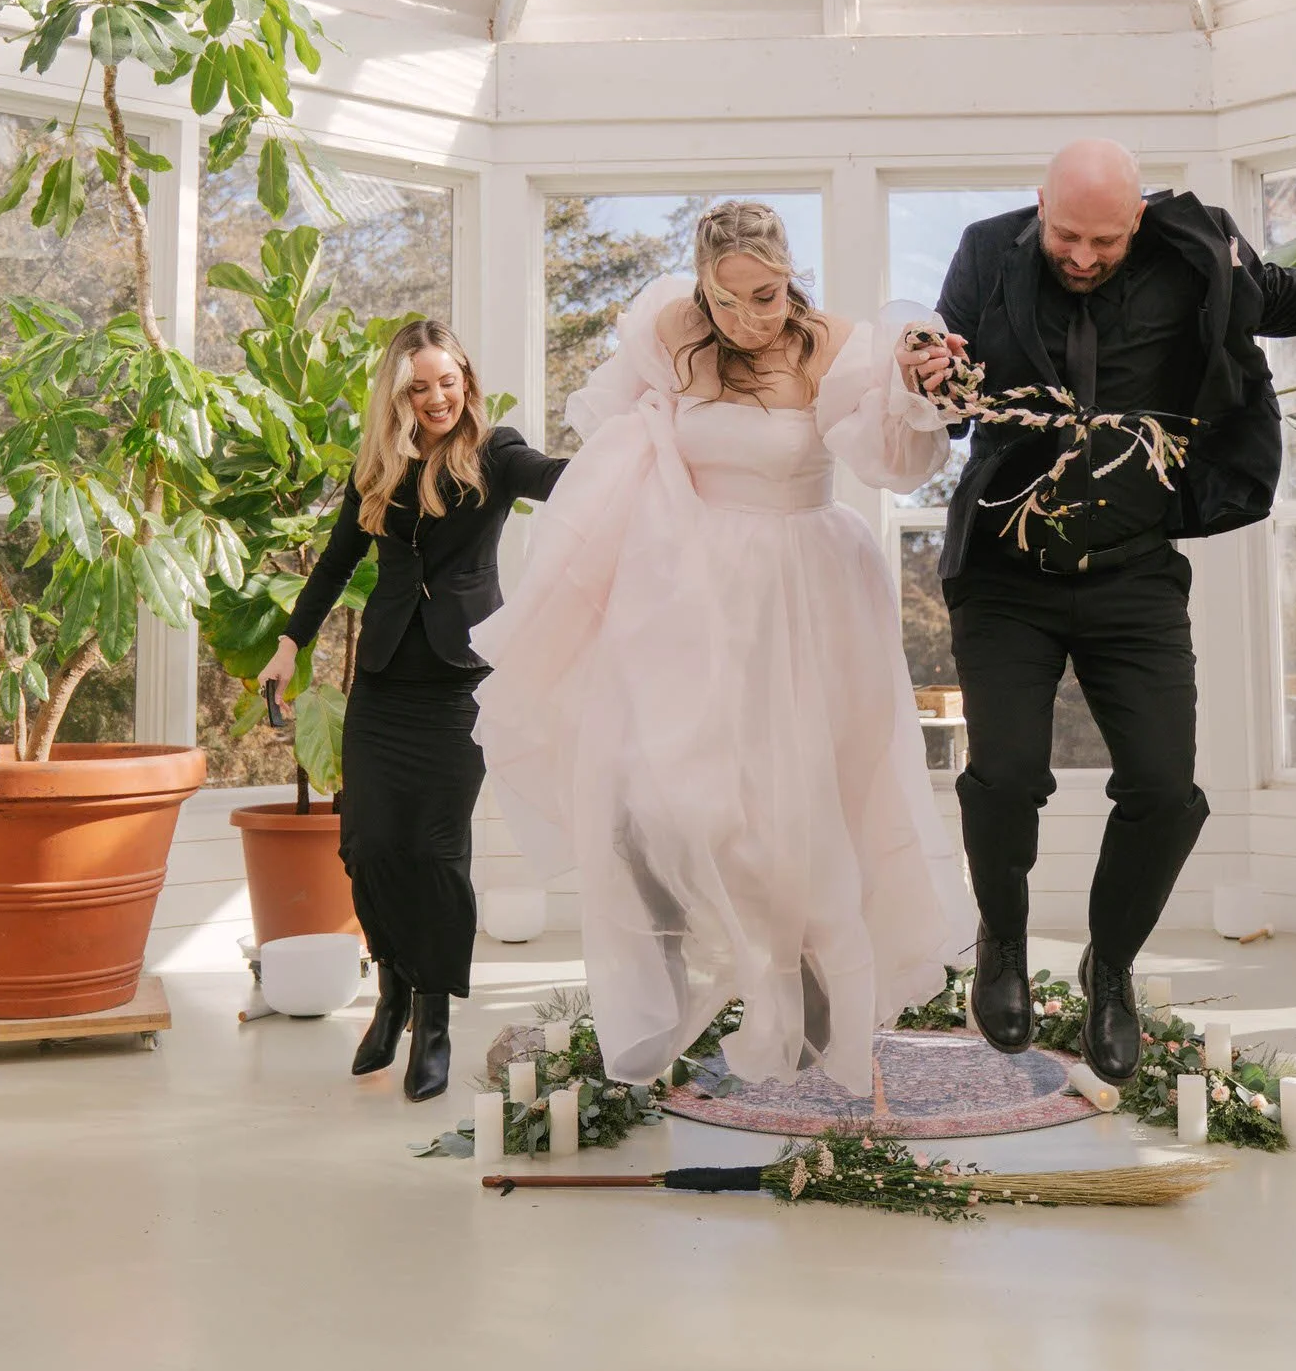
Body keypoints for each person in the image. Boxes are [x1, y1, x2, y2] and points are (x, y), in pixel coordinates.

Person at [919, 139, 1296, 1084]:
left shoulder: (1200, 249)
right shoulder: (988, 252)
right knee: (1008, 772)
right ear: (1038, 207)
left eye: (1105, 238)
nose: (1082, 255)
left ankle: (1112, 969)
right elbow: (942, 389)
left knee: (1163, 786)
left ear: (1137, 216)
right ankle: (1006, 945)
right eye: (1066, 234)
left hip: (1132, 571)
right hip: (1005, 570)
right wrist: (929, 372)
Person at [469, 200, 973, 1097]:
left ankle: (818, 1022)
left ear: (792, 274)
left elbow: (893, 463)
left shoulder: (836, 347)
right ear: (702, 285)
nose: (748, 319)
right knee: (644, 791)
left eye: (767, 296)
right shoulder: (669, 329)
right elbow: (626, 446)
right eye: (727, 301)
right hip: (688, 592)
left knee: (801, 815)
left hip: (805, 597)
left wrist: (912, 388)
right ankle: (673, 975)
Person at [256, 321, 566, 1102]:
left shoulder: (495, 452)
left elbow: (556, 477)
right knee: (366, 844)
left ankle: (433, 1020)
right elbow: (335, 562)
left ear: (466, 376)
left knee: (434, 851)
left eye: (446, 381)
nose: (435, 397)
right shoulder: (381, 466)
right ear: (398, 394)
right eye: (418, 386)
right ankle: (391, 991)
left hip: (460, 684)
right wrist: (291, 644)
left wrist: (635, 455)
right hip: (385, 681)